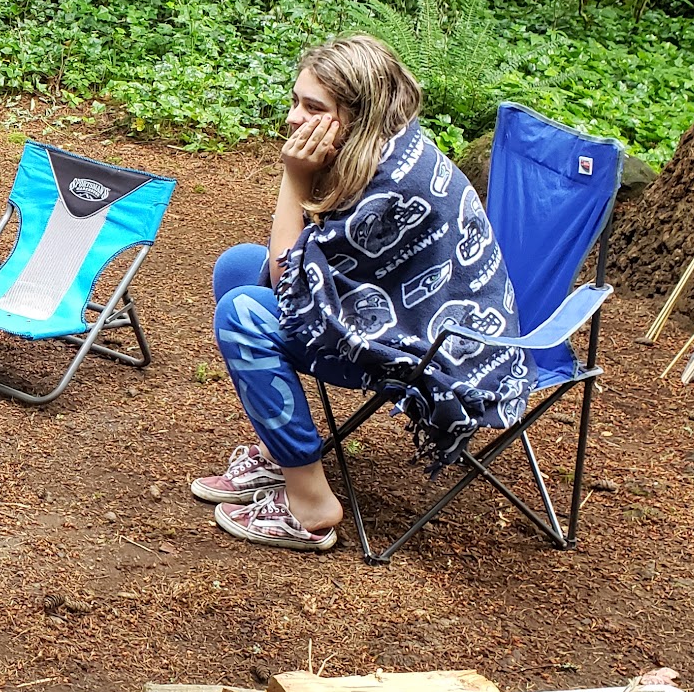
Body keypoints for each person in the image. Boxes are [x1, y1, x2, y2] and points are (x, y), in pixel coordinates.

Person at [191, 35, 531, 550]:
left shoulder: (393, 183)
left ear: (357, 114)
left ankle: (310, 505)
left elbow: (289, 277)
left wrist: (293, 178)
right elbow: (306, 267)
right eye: (295, 101)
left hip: (437, 366)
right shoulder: (388, 144)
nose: (293, 118)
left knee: (244, 313)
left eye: (312, 107)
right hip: (417, 325)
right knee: (238, 267)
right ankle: (277, 456)